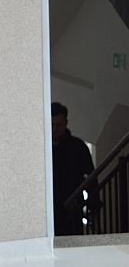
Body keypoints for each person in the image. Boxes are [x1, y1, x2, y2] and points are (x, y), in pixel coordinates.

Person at [51, 101, 95, 236]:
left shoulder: (77, 147)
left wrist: (94, 206)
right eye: (52, 125)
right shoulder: (40, 147)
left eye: (58, 125)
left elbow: (90, 179)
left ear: (66, 123)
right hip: (48, 210)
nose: (54, 129)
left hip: (71, 211)